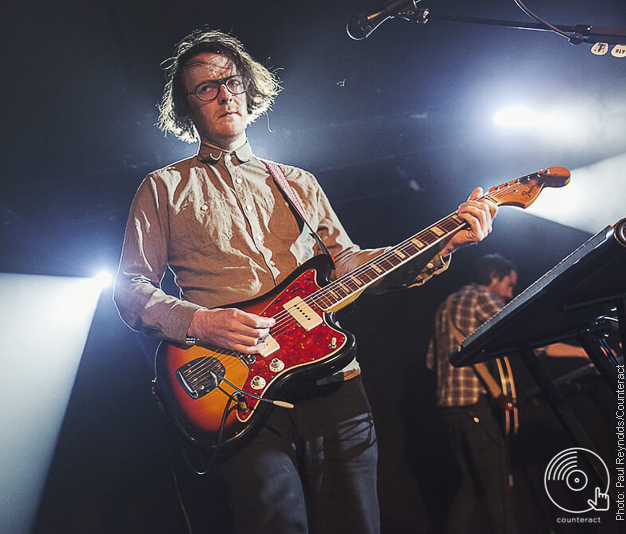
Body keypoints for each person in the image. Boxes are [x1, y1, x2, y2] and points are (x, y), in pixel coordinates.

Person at [114, 29, 498, 534]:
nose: (224, 93)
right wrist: (201, 323)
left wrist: (443, 242)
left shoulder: (297, 183)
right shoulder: (163, 187)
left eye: (231, 82)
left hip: (334, 383)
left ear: (249, 90)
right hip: (238, 391)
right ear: (187, 109)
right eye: (206, 88)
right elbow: (130, 288)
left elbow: (348, 264)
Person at [426, 253, 519, 534]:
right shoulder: (483, 298)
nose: (510, 294)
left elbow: (431, 361)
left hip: (448, 410)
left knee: (471, 485)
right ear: (494, 277)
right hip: (473, 408)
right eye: (509, 286)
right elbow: (522, 335)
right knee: (498, 487)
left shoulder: (446, 305)